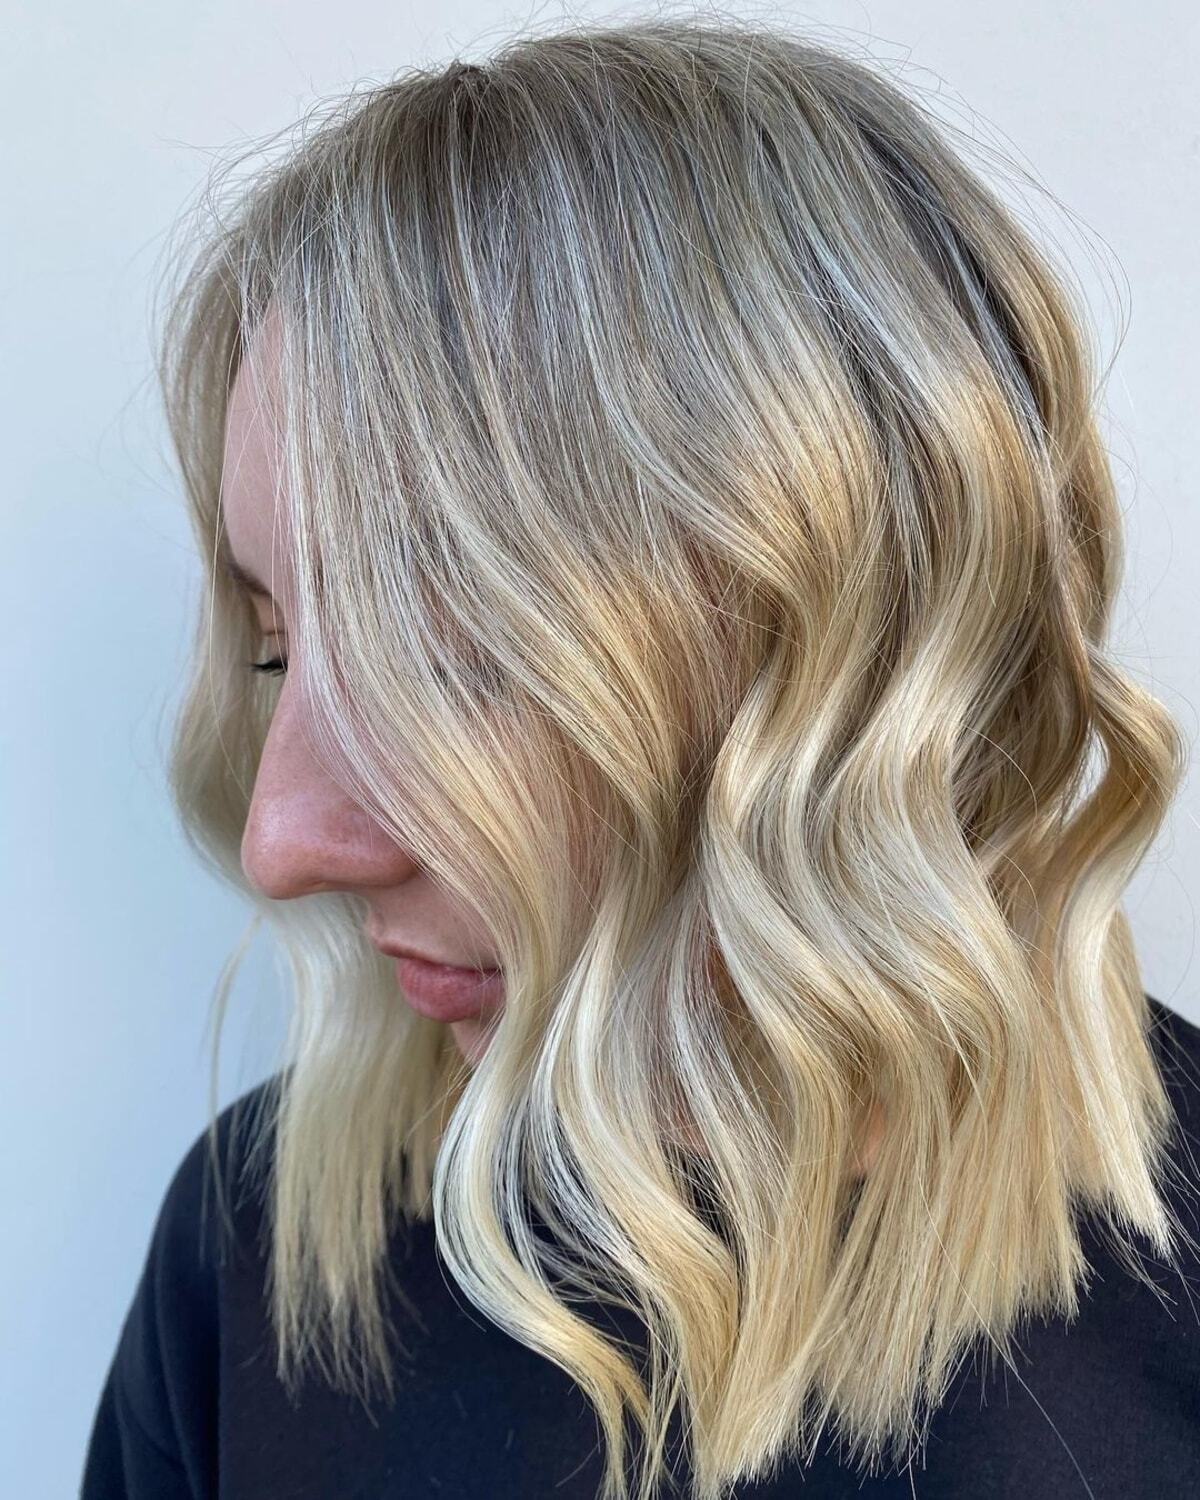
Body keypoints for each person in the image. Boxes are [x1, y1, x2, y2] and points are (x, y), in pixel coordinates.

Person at [81, 17, 1200, 1499]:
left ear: (858, 643)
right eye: (278, 649)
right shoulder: (265, 1257)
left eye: (454, 654)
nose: (280, 842)